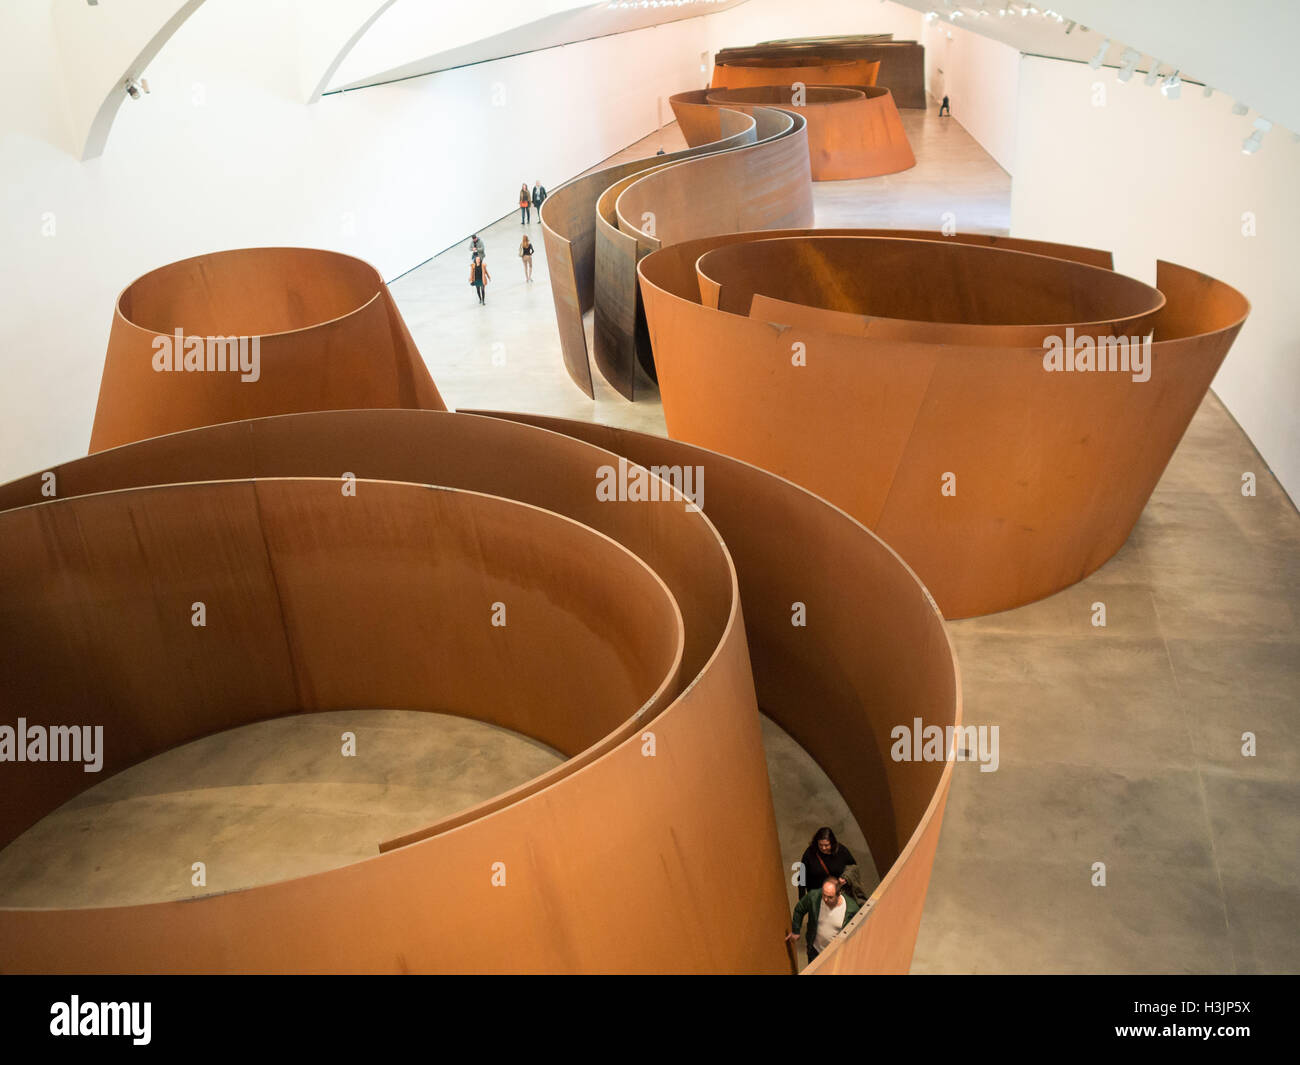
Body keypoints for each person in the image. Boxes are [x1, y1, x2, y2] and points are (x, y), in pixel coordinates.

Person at [785, 876, 861, 964]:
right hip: (814, 951)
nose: (825, 899)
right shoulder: (814, 896)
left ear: (839, 893)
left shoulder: (851, 909)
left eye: (830, 897)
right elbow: (799, 909)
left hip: (835, 955)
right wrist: (796, 930)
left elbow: (857, 933)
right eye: (824, 895)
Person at [797, 827, 857, 899]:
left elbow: (853, 866)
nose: (823, 848)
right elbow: (802, 879)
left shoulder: (841, 850)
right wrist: (802, 900)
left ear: (832, 843)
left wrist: (845, 877)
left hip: (838, 895)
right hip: (818, 897)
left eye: (826, 845)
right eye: (820, 845)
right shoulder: (810, 853)